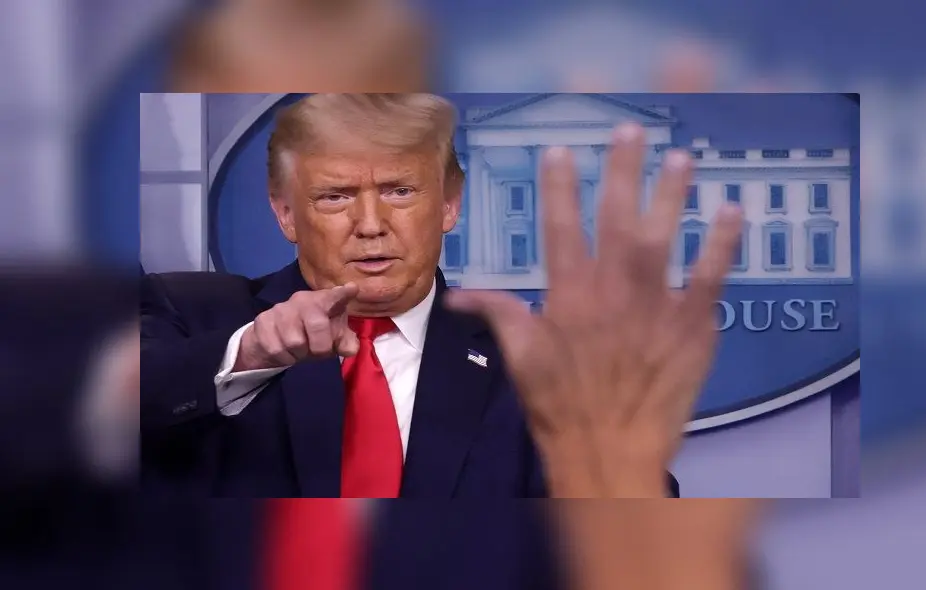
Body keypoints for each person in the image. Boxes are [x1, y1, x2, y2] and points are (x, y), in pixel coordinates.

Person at [140, 93, 716, 498]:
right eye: (337, 196)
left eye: (399, 190)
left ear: (449, 204)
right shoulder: (191, 314)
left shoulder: (536, 365)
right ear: (285, 212)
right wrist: (250, 354)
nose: (371, 224)